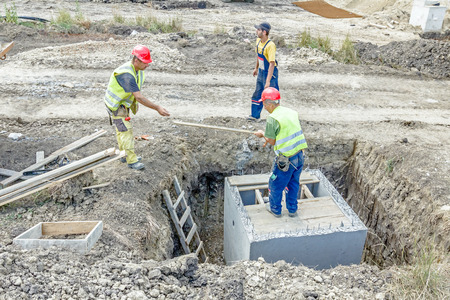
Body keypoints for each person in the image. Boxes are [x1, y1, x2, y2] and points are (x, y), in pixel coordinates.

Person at [104, 45, 170, 170]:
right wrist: (157, 108)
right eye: (145, 63)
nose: (147, 65)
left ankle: (123, 155)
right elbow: (139, 97)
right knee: (126, 132)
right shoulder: (126, 74)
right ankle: (131, 161)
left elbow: (135, 93)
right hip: (116, 105)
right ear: (136, 60)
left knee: (121, 130)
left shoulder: (137, 71)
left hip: (122, 103)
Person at [254, 87, 307, 218]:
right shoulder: (291, 112)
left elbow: (271, 141)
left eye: (264, 104)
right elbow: (285, 132)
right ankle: (292, 209)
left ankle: (275, 209)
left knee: (275, 184)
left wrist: (263, 135)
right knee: (293, 183)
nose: (264, 107)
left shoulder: (273, 118)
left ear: (270, 103)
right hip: (299, 155)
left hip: (286, 160)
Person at [249, 22, 279, 121]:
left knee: (272, 96)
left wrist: (268, 81)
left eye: (258, 30)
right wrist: (256, 68)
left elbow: (271, 63)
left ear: (264, 32)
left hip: (270, 74)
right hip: (261, 72)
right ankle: (255, 116)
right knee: (258, 93)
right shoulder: (258, 41)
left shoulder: (270, 46)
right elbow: (259, 55)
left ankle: (276, 118)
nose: (256, 31)